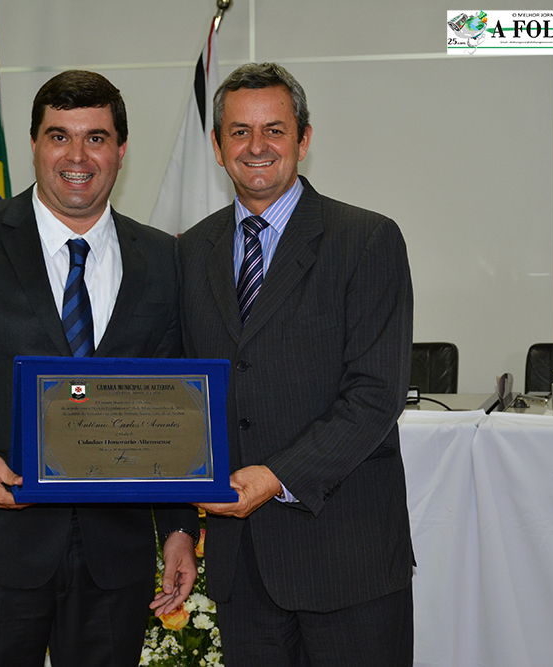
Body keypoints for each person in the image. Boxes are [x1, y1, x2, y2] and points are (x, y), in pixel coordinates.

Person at [0, 70, 199, 667]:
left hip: (114, 558)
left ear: (121, 150)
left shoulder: (163, 257)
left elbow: (174, 405)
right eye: (59, 136)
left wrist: (180, 527)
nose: (77, 156)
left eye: (96, 138)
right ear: (34, 144)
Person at [178, 63, 416, 666]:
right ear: (217, 147)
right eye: (239, 131)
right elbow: (179, 398)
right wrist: (179, 522)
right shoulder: (189, 252)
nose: (256, 146)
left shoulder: (366, 240)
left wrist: (274, 476)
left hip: (347, 557)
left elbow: (376, 395)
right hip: (242, 565)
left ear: (303, 140)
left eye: (274, 130)